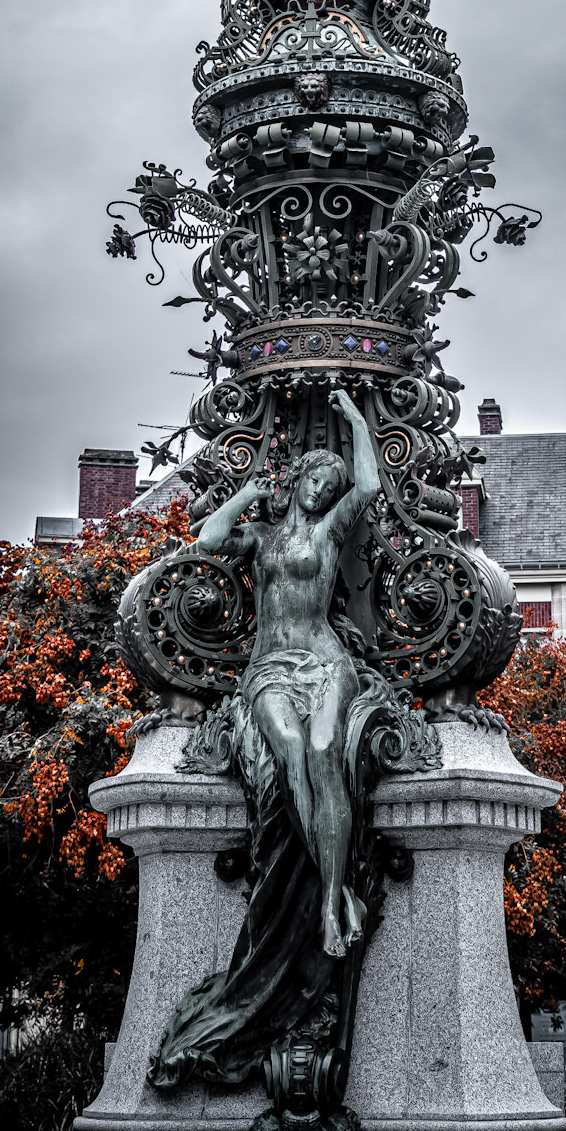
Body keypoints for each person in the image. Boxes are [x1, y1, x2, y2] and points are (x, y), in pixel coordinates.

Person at [193, 387, 378, 957]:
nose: (323, 491)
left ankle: (331, 899)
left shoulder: (330, 533)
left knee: (325, 747)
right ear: (297, 481)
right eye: (315, 481)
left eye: (330, 486)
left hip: (325, 662)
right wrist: (246, 494)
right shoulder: (264, 537)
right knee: (292, 747)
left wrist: (354, 419)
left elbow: (369, 486)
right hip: (269, 665)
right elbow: (208, 539)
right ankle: (330, 883)